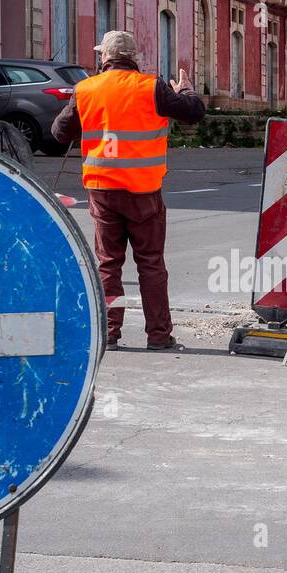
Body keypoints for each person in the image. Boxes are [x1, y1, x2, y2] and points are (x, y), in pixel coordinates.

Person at [52, 31, 205, 350]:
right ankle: (159, 336)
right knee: (150, 263)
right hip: (144, 191)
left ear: (104, 58)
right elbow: (194, 112)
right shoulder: (152, 87)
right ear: (134, 58)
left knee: (108, 263)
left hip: (102, 190)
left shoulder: (86, 89)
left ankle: (110, 334)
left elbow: (58, 133)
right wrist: (186, 90)